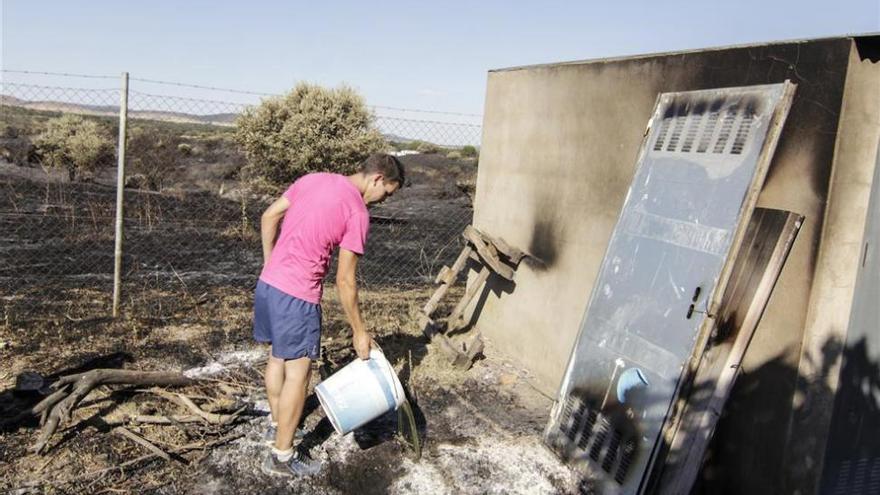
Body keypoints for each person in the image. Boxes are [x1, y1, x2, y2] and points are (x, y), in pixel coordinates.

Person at [253, 153, 405, 477]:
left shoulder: (314, 179)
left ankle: (276, 424)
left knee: (277, 357)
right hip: (298, 297)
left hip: (268, 286)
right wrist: (359, 331)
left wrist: (270, 265)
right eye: (388, 193)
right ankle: (282, 456)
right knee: (299, 374)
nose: (384, 200)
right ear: (377, 178)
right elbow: (345, 280)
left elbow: (269, 216)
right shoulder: (357, 212)